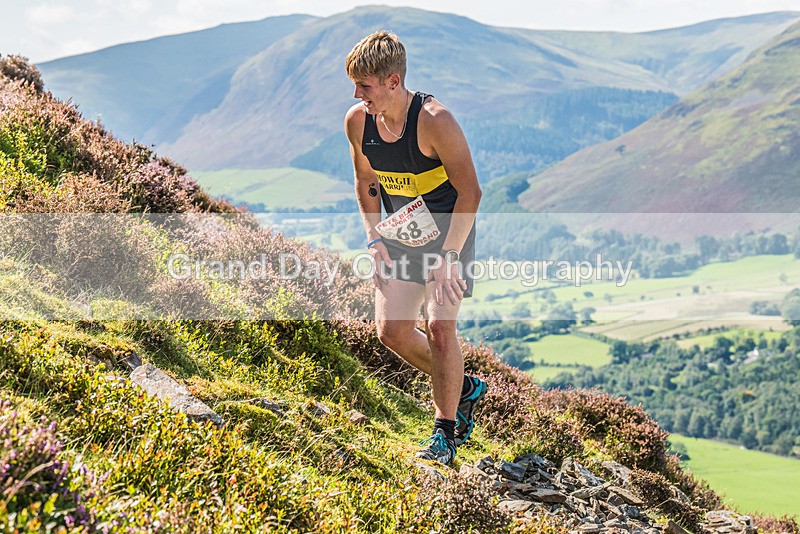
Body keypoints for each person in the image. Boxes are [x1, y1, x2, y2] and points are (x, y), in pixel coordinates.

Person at [344, 30, 488, 466]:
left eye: (364, 86)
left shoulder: (434, 121)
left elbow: (471, 193)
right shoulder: (357, 122)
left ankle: (444, 433)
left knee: (441, 328)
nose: (357, 95)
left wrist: (448, 259)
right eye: (354, 86)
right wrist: (373, 239)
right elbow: (366, 182)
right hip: (400, 235)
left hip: (449, 235)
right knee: (393, 333)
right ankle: (462, 386)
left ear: (392, 81)